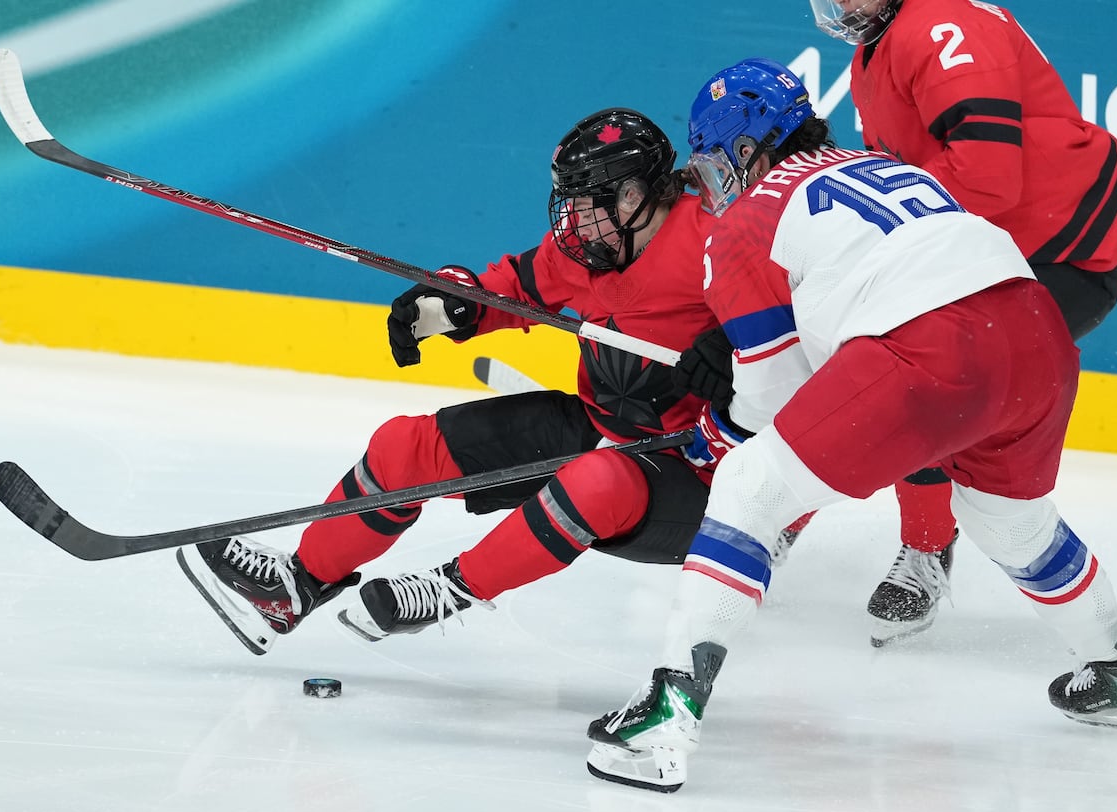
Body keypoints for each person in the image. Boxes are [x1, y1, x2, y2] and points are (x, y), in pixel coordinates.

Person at [584, 58, 1117, 794]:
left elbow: (774, 406)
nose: (709, 192)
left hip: (933, 343)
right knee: (1011, 522)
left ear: (744, 151)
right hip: (1038, 333)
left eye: (709, 170)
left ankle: (666, 716)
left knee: (747, 484)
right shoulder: (884, 166)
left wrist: (720, 434)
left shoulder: (744, 222)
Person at [177, 108, 789, 654]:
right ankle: (296, 586)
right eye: (568, 202)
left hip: (702, 474)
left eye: (586, 203)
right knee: (404, 448)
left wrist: (738, 351)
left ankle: (452, 590)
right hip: (603, 430)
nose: (571, 221)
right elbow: (517, 288)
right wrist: (450, 304)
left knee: (596, 481)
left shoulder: (719, 239)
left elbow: (812, 340)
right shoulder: (590, 250)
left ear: (632, 197)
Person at [808, 0, 1117, 647]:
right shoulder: (875, 51)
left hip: (1061, 255)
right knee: (898, 361)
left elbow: (986, 180)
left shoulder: (940, 25)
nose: (843, 3)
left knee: (920, 379)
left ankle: (930, 552)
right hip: (1001, 251)